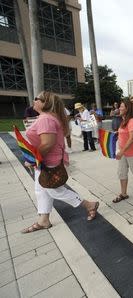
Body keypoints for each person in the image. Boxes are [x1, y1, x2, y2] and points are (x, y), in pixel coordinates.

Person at [21, 91, 99, 233]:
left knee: (54, 191)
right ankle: (44, 220)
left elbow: (47, 144)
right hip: (47, 160)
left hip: (48, 161)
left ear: (45, 103)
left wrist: (32, 159)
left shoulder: (46, 119)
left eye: (36, 99)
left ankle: (89, 205)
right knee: (41, 190)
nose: (34, 100)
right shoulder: (48, 117)